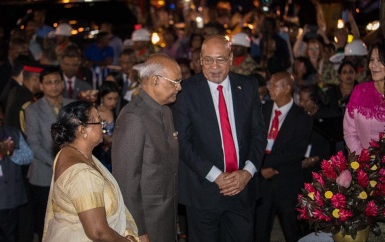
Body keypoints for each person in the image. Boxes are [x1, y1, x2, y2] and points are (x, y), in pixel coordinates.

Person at [172, 35, 267, 242]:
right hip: (203, 192)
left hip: (243, 190)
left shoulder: (248, 86)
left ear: (231, 58)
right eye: (208, 60)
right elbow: (183, 142)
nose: (214, 66)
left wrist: (247, 173)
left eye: (221, 59)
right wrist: (216, 176)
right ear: (199, 60)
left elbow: (259, 134)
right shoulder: (185, 91)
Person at [42, 101, 138, 242]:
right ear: (82, 131)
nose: (102, 126)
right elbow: (98, 232)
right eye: (98, 122)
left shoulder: (67, 153)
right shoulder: (82, 174)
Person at [112, 53, 182, 242]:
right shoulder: (133, 117)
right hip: (147, 223)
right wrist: (137, 228)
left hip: (166, 216)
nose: (179, 87)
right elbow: (126, 180)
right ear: (155, 80)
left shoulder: (165, 111)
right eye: (175, 82)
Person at [255, 71, 312, 242]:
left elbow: (297, 151)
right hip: (262, 183)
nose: (269, 88)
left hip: (287, 183)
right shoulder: (261, 110)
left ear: (287, 88)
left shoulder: (302, 117)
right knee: (259, 231)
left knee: (291, 231)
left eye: (274, 85)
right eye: (269, 84)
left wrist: (269, 165)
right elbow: (253, 142)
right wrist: (260, 168)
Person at [25, 68, 73, 242]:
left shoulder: (72, 104)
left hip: (72, 172)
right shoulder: (33, 110)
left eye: (56, 82)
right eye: (48, 82)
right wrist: (58, 162)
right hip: (44, 174)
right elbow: (34, 145)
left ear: (62, 83)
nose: (53, 86)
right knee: (44, 222)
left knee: (69, 219)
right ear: (41, 85)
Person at [343, 41, 385, 155]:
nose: (373, 65)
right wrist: (365, 161)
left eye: (380, 60)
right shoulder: (360, 92)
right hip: (364, 165)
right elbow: (349, 132)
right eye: (371, 60)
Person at [0, 104, 33, 242]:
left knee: (10, 233)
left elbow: (29, 156)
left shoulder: (12, 132)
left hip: (10, 194)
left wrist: (12, 153)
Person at [93, 81, 120, 171]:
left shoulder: (118, 111)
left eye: (116, 99)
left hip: (114, 156)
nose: (113, 102)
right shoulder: (94, 112)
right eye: (109, 98)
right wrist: (103, 137)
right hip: (97, 155)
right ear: (102, 97)